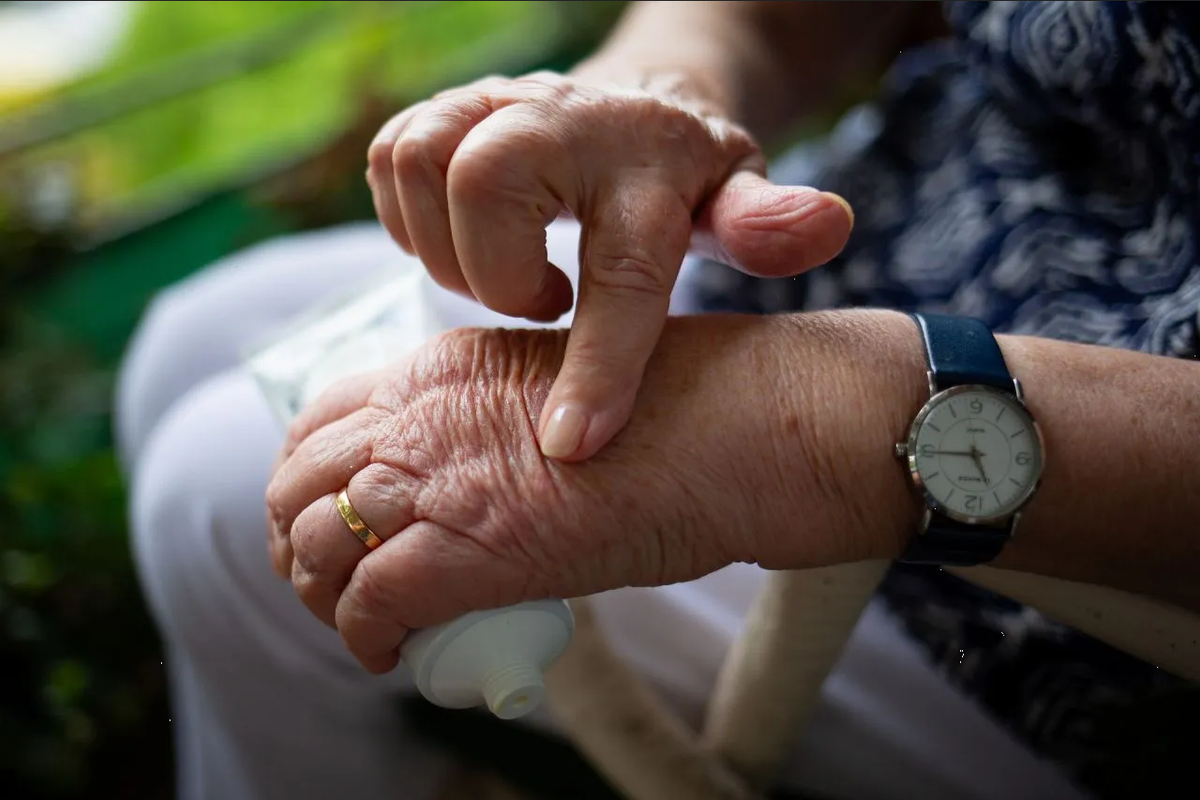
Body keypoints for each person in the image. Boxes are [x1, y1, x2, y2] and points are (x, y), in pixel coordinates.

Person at [117, 2, 1200, 800]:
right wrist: (668, 83)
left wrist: (837, 422)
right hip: (839, 248)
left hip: (1057, 557)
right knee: (195, 336)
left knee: (212, 500)